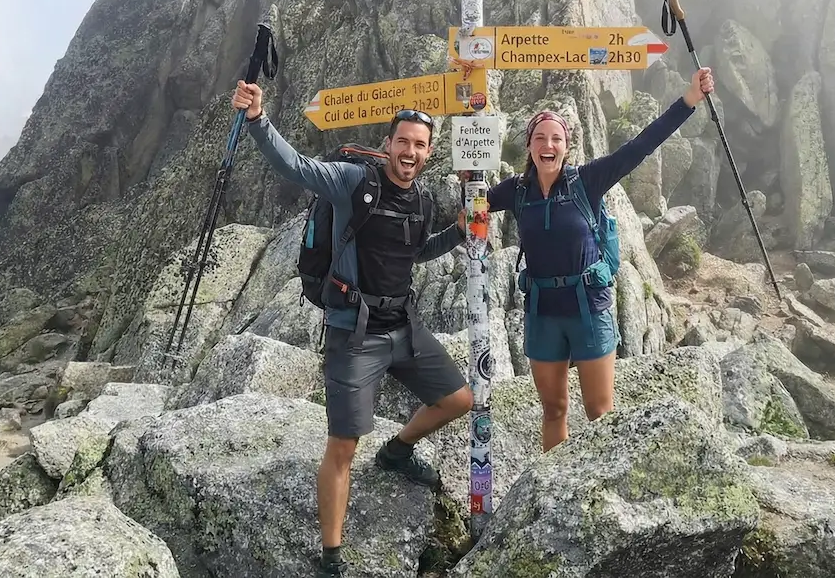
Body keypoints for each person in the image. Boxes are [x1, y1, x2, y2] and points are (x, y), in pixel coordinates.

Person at [232, 80, 473, 578]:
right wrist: (258, 120)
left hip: (403, 327)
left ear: (428, 153)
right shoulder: (351, 182)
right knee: (343, 445)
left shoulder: (422, 200)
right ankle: (331, 557)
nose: (410, 152)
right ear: (388, 144)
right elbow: (295, 166)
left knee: (459, 400)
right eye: (402, 142)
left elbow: (418, 252)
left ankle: (397, 451)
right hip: (354, 333)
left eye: (419, 146)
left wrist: (460, 232)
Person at [484, 67, 715, 452]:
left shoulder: (587, 181)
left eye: (556, 138)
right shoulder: (516, 191)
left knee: (600, 411)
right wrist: (467, 206)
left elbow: (639, 147)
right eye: (539, 137)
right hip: (541, 312)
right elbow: (476, 203)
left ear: (566, 146)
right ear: (529, 146)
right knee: (554, 408)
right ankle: (553, 487)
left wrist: (689, 101)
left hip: (589, 308)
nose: (548, 144)